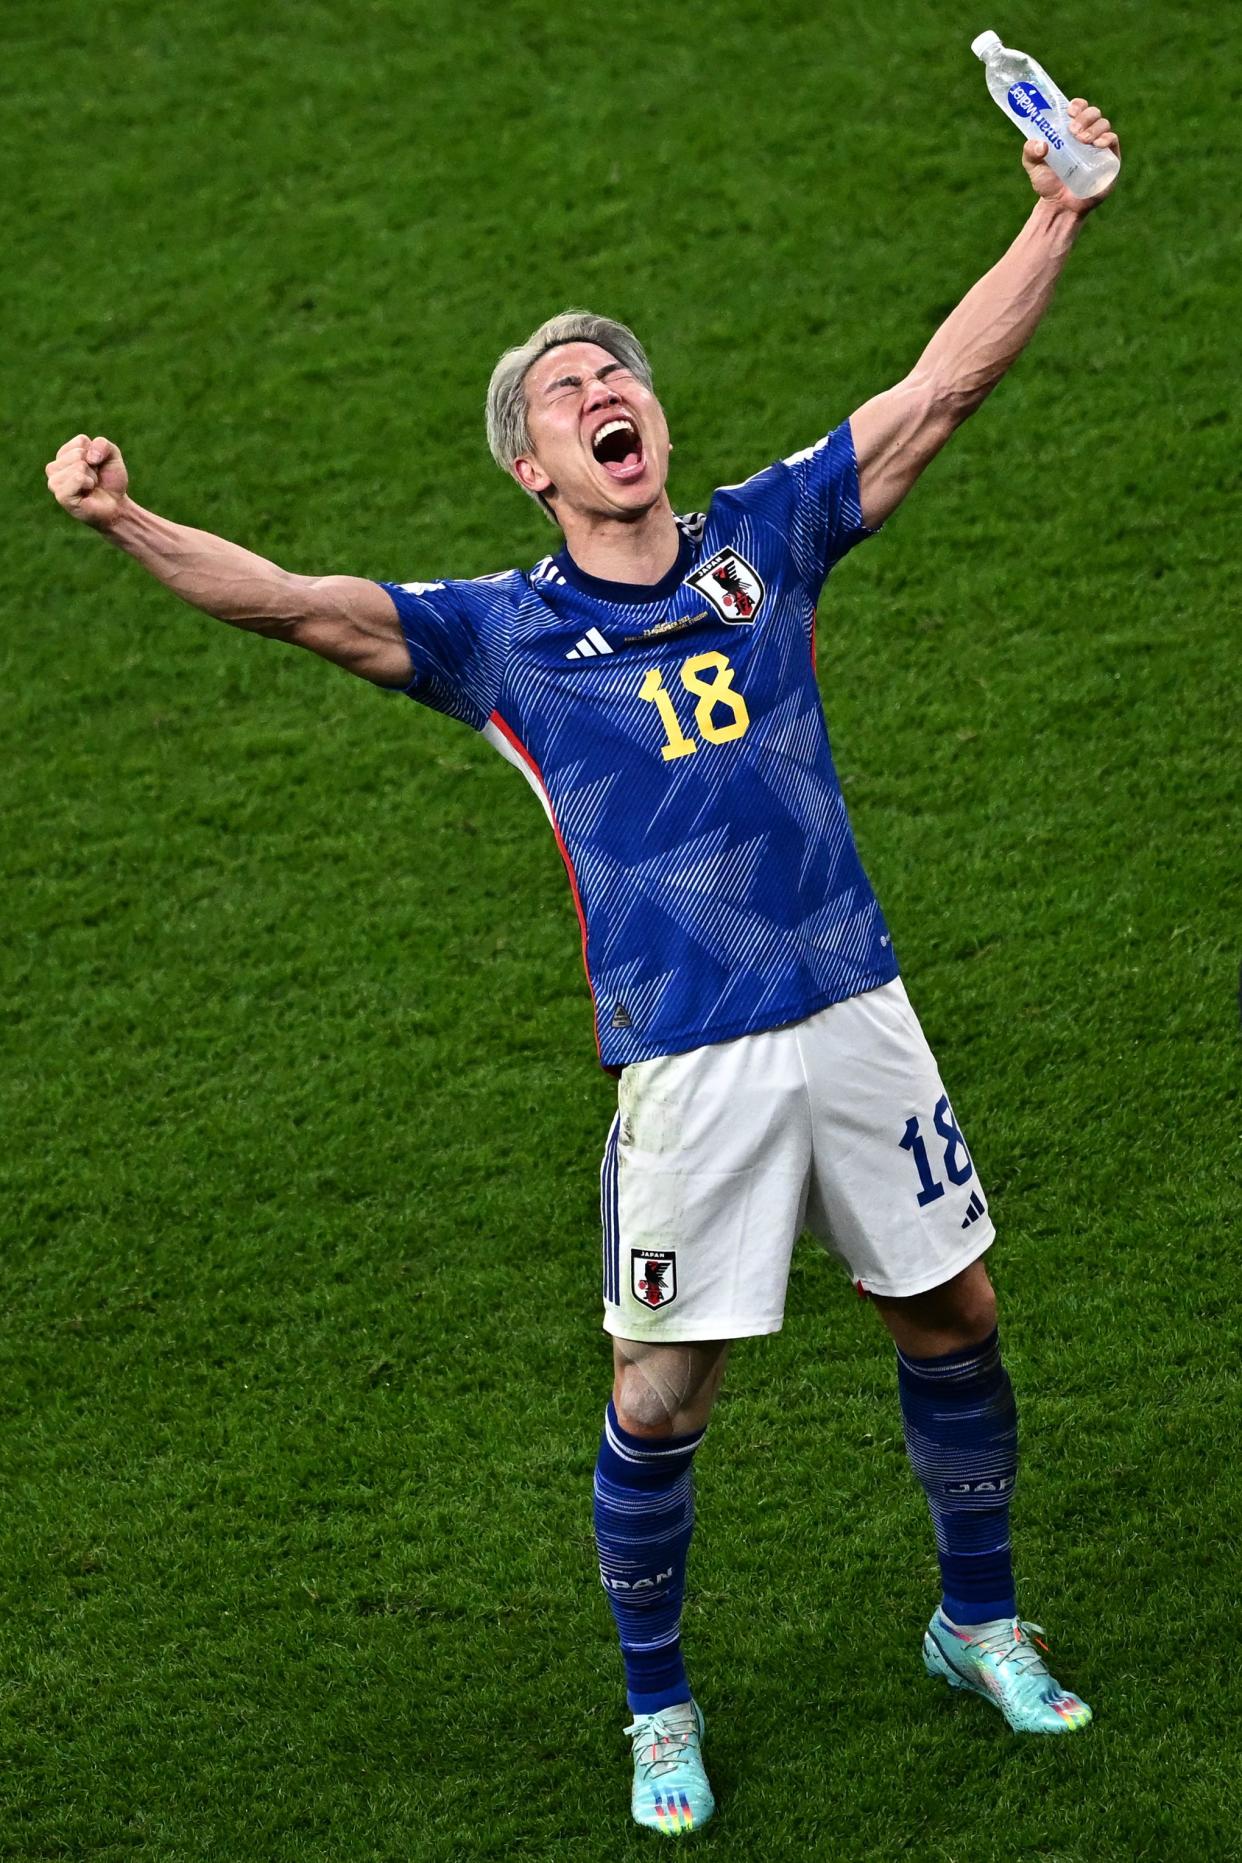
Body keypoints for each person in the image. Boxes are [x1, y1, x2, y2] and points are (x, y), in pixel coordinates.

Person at [47, 103, 1120, 1838]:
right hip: (689, 1063)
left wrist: (1055, 214)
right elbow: (288, 603)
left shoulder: (762, 538)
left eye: (612, 370)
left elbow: (939, 389)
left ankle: (976, 1621)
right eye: (564, 388)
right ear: (531, 466)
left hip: (854, 1008)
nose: (601, 387)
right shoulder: (496, 633)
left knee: (954, 1315)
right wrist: (125, 521)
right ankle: (657, 1712)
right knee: (660, 1392)